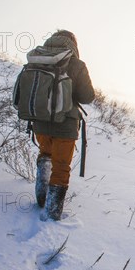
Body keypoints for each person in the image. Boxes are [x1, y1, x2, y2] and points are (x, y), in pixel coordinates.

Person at [34, 30, 95, 220]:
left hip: (39, 122)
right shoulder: (76, 64)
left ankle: (41, 197)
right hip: (65, 125)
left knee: (45, 155)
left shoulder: (37, 58)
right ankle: (52, 213)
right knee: (61, 166)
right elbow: (88, 97)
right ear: (73, 44)